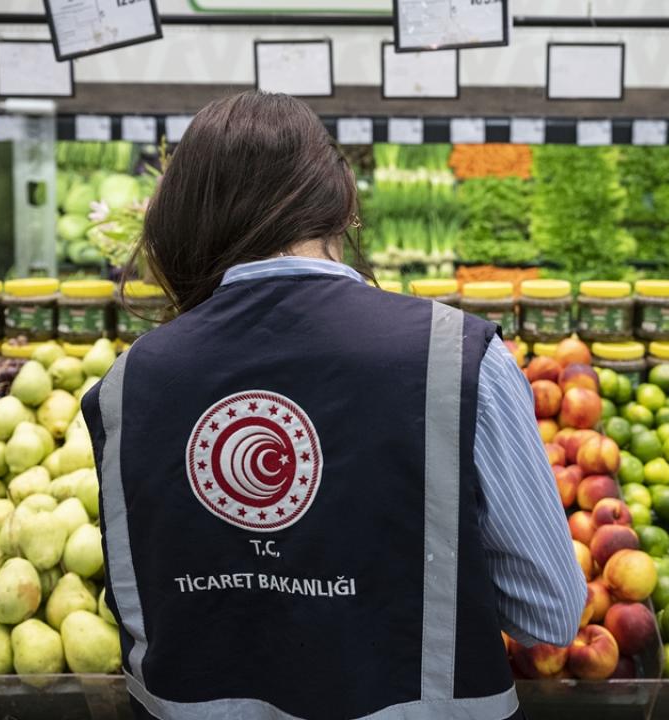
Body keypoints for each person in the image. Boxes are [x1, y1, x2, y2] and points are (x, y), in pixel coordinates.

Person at [81, 91, 587, 720]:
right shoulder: (457, 358)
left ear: (178, 225)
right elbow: (551, 614)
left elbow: (140, 605)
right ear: (344, 207)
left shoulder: (125, 386)